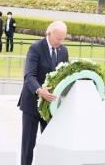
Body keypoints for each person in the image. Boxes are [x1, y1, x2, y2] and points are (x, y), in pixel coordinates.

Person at [18, 21, 69, 165]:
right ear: (49, 33)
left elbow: (64, 76)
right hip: (32, 104)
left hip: (51, 104)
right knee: (28, 144)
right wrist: (40, 91)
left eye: (63, 39)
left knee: (51, 142)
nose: (60, 42)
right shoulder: (35, 48)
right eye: (58, 38)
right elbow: (29, 76)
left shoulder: (63, 51)